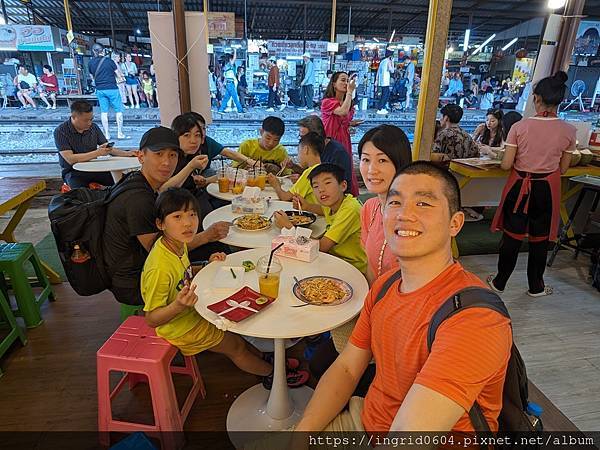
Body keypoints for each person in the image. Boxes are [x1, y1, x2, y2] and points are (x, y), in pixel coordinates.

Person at [290, 161, 511, 442]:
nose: (404, 214)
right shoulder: (385, 286)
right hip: (365, 421)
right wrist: (301, 436)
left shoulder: (475, 320)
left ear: (455, 223)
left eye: (423, 204)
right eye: (395, 203)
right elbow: (347, 367)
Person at [141, 188, 309, 389]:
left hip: (192, 309)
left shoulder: (176, 243)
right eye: (177, 217)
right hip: (180, 326)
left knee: (237, 329)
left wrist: (205, 264)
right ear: (161, 224)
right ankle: (276, 376)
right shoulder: (159, 267)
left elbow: (183, 272)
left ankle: (267, 360)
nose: (187, 223)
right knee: (236, 346)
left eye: (192, 214)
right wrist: (178, 305)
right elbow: (151, 319)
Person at [307, 125, 413, 395]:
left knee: (337, 374)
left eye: (382, 160)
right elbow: (369, 266)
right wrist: (361, 310)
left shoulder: (413, 216)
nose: (371, 169)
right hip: (371, 307)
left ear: (400, 163)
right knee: (318, 364)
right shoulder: (369, 209)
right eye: (366, 160)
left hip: (403, 321)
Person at [102, 126, 231, 306]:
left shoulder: (137, 180)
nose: (166, 162)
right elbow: (161, 250)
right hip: (134, 281)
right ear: (141, 156)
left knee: (208, 247)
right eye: (159, 154)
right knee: (212, 249)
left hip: (141, 265)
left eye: (172, 155)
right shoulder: (138, 200)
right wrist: (207, 236)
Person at [489, 72, 575, 298]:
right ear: (560, 100)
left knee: (512, 236)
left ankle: (499, 283)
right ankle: (536, 286)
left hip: (520, 188)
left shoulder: (519, 127)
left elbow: (507, 164)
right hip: (546, 189)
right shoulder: (569, 131)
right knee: (540, 239)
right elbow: (563, 169)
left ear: (536, 98)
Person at [274, 163, 366, 274]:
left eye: (327, 183)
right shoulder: (335, 203)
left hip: (351, 267)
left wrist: (288, 226)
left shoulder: (350, 209)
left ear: (343, 186)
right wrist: (307, 206)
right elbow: (322, 209)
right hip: (334, 258)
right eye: (316, 186)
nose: (321, 189)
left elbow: (320, 246)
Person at [54, 100, 134, 188]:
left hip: (94, 167)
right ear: (73, 117)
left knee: (125, 182)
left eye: (91, 119)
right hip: (73, 171)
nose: (89, 123)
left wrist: (128, 153)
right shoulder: (61, 131)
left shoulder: (93, 127)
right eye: (85, 120)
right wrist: (98, 153)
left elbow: (108, 148)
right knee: (80, 194)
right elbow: (70, 159)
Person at [321, 71, 360, 195]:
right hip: (331, 140)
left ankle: (346, 197)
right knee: (331, 170)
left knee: (345, 168)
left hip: (344, 139)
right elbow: (342, 112)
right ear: (334, 84)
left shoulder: (349, 104)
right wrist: (350, 92)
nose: (346, 83)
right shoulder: (327, 102)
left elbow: (343, 117)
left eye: (347, 80)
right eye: (343, 80)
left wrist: (351, 123)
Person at [297, 115, 355, 196]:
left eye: (303, 138)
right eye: (300, 137)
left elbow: (342, 187)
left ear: (315, 136)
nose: (301, 141)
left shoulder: (338, 153)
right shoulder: (314, 150)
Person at [267, 132, 324, 214]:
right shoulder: (321, 167)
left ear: (305, 149)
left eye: (298, 151)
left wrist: (276, 185)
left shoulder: (310, 172)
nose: (298, 156)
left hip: (316, 216)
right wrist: (294, 166)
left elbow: (285, 197)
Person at [88, 43, 126, 140]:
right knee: (119, 111)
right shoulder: (110, 61)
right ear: (103, 51)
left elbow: (92, 78)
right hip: (112, 88)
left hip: (100, 89)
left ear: (93, 51)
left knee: (104, 112)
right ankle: (120, 133)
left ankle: (107, 134)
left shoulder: (90, 63)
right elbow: (119, 75)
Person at [218, 49, 243, 114]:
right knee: (235, 97)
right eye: (231, 59)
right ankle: (240, 110)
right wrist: (235, 50)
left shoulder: (225, 67)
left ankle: (221, 110)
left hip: (228, 83)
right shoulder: (229, 65)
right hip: (231, 83)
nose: (232, 60)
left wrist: (223, 84)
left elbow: (225, 77)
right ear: (229, 59)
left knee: (226, 98)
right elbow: (234, 58)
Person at [376, 50, 394, 115]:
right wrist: (392, 62)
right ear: (390, 56)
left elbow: (378, 71)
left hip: (381, 81)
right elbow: (392, 70)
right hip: (385, 81)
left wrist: (377, 80)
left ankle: (382, 108)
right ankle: (380, 108)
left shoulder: (382, 61)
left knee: (384, 94)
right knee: (385, 95)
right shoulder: (388, 61)